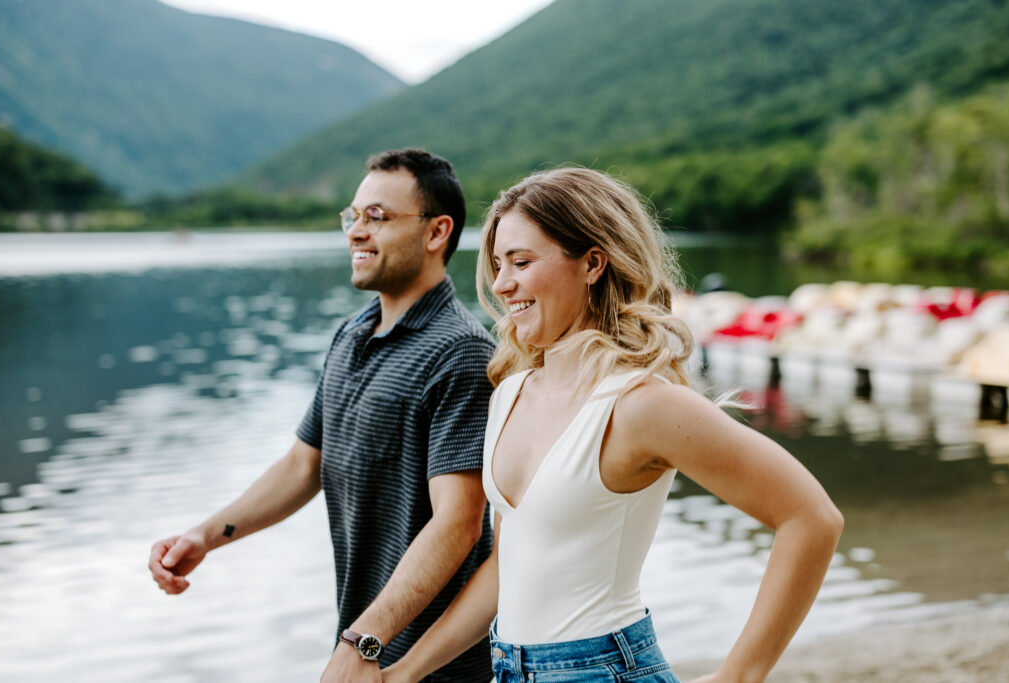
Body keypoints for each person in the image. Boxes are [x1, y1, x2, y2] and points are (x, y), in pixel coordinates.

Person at [381, 167, 844, 683]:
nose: (503, 283)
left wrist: (737, 675)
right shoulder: (509, 394)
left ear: (593, 263)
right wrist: (404, 672)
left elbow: (812, 518)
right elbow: (506, 571)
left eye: (521, 261)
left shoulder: (642, 405)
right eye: (497, 264)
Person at [147, 149, 496, 683]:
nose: (356, 231)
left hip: (433, 664)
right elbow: (303, 465)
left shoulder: (461, 352)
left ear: (436, 233)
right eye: (351, 216)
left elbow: (459, 522)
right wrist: (205, 536)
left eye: (377, 216)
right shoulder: (352, 334)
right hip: (364, 650)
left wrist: (363, 641)